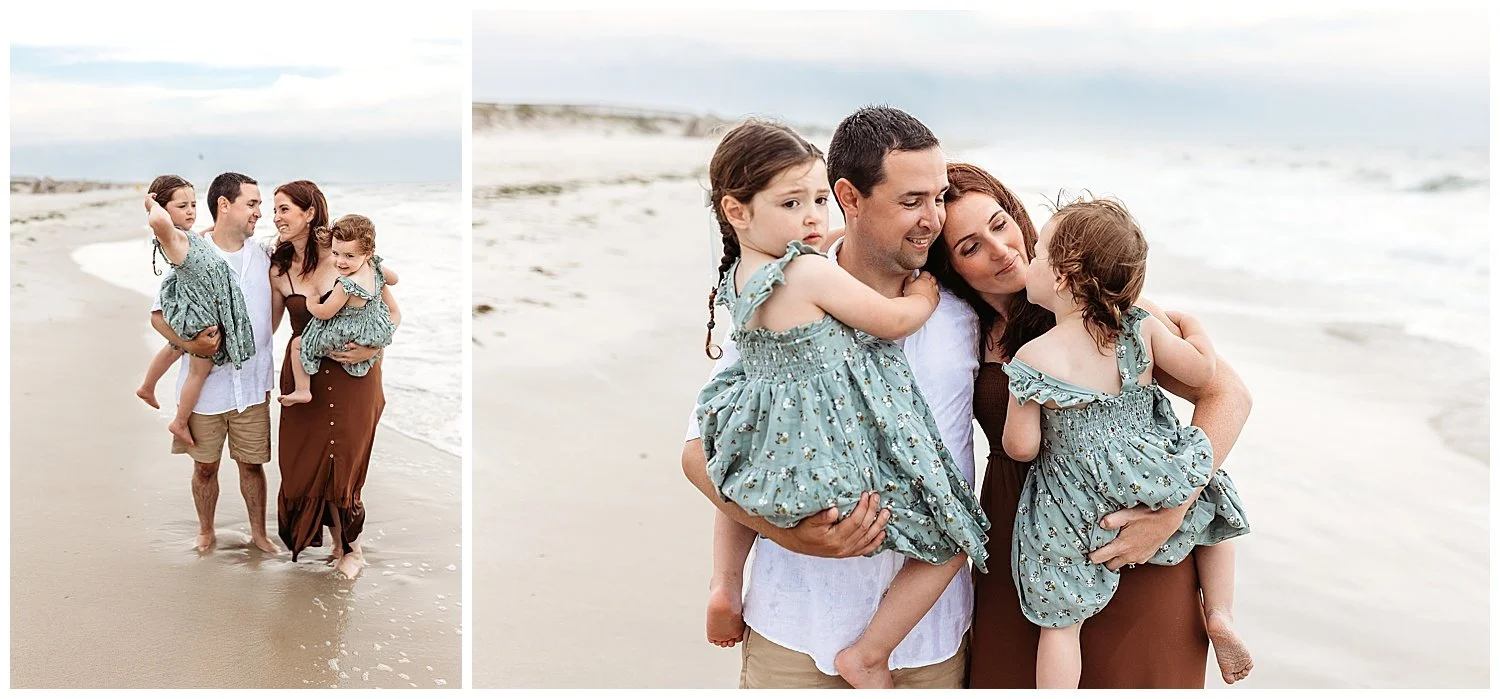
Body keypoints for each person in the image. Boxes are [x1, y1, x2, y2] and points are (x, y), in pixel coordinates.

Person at [924, 162, 1255, 688]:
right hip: (1025, 544)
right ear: (948, 266)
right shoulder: (948, 327)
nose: (1001, 248)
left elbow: (1227, 392)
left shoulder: (1107, 308)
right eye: (969, 247)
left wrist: (1174, 508)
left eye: (1000, 222)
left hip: (1133, 531)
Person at [683, 106, 979, 689]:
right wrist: (782, 535)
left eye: (939, 198)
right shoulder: (788, 300)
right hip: (792, 628)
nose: (932, 220)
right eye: (911, 201)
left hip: (927, 642)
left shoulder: (970, 314)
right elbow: (706, 453)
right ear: (851, 195)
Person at [269, 180, 401, 579]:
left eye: (284, 209)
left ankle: (351, 549)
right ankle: (322, 541)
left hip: (354, 374)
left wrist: (373, 350)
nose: (276, 217)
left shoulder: (347, 256)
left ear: (310, 213)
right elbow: (270, 326)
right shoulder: (276, 268)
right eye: (273, 210)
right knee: (303, 460)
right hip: (304, 372)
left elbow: (390, 313)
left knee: (344, 458)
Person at [148, 171, 278, 555]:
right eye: (251, 204)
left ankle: (259, 533)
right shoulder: (193, 254)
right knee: (205, 466)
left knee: (252, 465)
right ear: (225, 205)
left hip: (252, 384)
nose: (259, 212)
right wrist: (190, 343)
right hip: (206, 388)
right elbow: (158, 315)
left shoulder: (266, 256)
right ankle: (206, 531)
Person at [136, 175, 256, 452]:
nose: (190, 210)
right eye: (182, 206)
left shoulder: (188, 236)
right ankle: (179, 420)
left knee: (175, 346)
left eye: (193, 204)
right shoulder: (172, 236)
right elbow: (157, 222)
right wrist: (150, 205)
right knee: (199, 371)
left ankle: (147, 386)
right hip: (201, 315)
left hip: (195, 306)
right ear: (165, 210)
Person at [280, 214, 398, 407]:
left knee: (298, 344)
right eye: (335, 253)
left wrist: (311, 304)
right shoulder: (374, 267)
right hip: (370, 333)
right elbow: (394, 279)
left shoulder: (346, 284)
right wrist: (376, 268)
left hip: (344, 336)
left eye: (349, 256)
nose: (340, 262)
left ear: (368, 253)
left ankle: (302, 390)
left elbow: (326, 312)